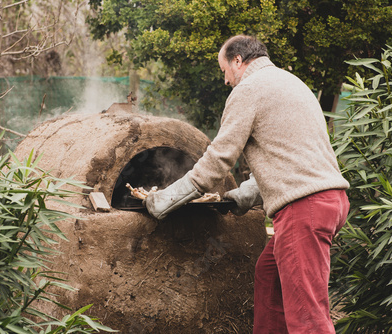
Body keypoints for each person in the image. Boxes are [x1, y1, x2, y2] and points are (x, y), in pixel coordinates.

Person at [144, 34, 350, 333]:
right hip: (328, 200)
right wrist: (247, 193)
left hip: (303, 210)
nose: (225, 80)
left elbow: (219, 158)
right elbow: (293, 156)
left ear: (237, 61)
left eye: (224, 70)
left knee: (308, 318)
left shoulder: (249, 90)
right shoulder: (291, 83)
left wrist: (168, 197)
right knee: (269, 277)